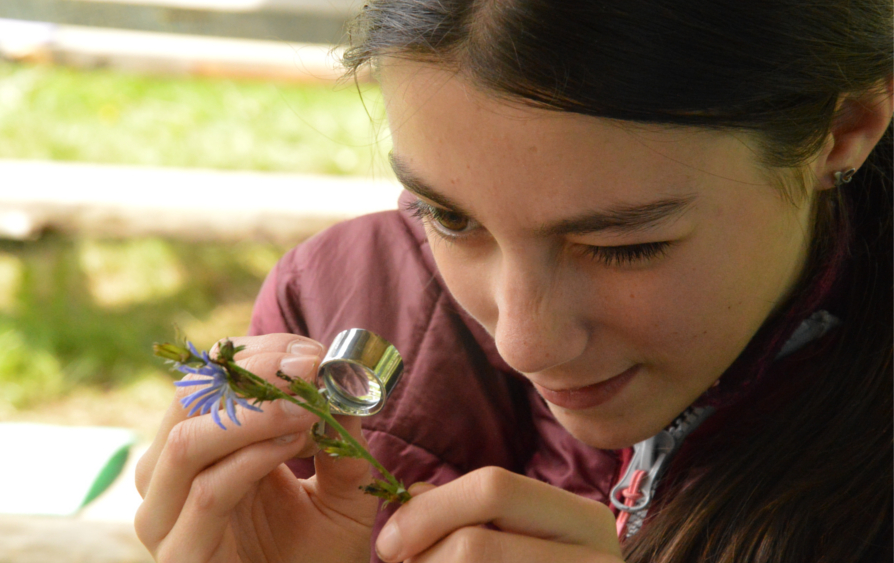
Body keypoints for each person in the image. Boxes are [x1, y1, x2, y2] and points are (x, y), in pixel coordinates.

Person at [133, 1, 893, 562]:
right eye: (447, 216)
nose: (523, 340)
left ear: (845, 129)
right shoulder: (340, 309)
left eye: (623, 245)